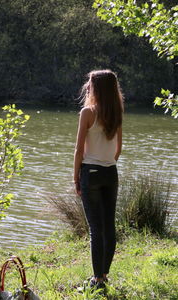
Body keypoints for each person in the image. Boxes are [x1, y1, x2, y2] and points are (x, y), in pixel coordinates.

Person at [73, 69, 123, 289]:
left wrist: (76, 176)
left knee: (96, 229)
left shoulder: (87, 112)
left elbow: (78, 150)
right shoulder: (117, 112)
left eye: (90, 83)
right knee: (109, 226)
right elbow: (118, 150)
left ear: (96, 88)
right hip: (111, 172)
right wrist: (106, 162)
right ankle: (104, 274)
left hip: (90, 172)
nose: (88, 86)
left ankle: (97, 280)